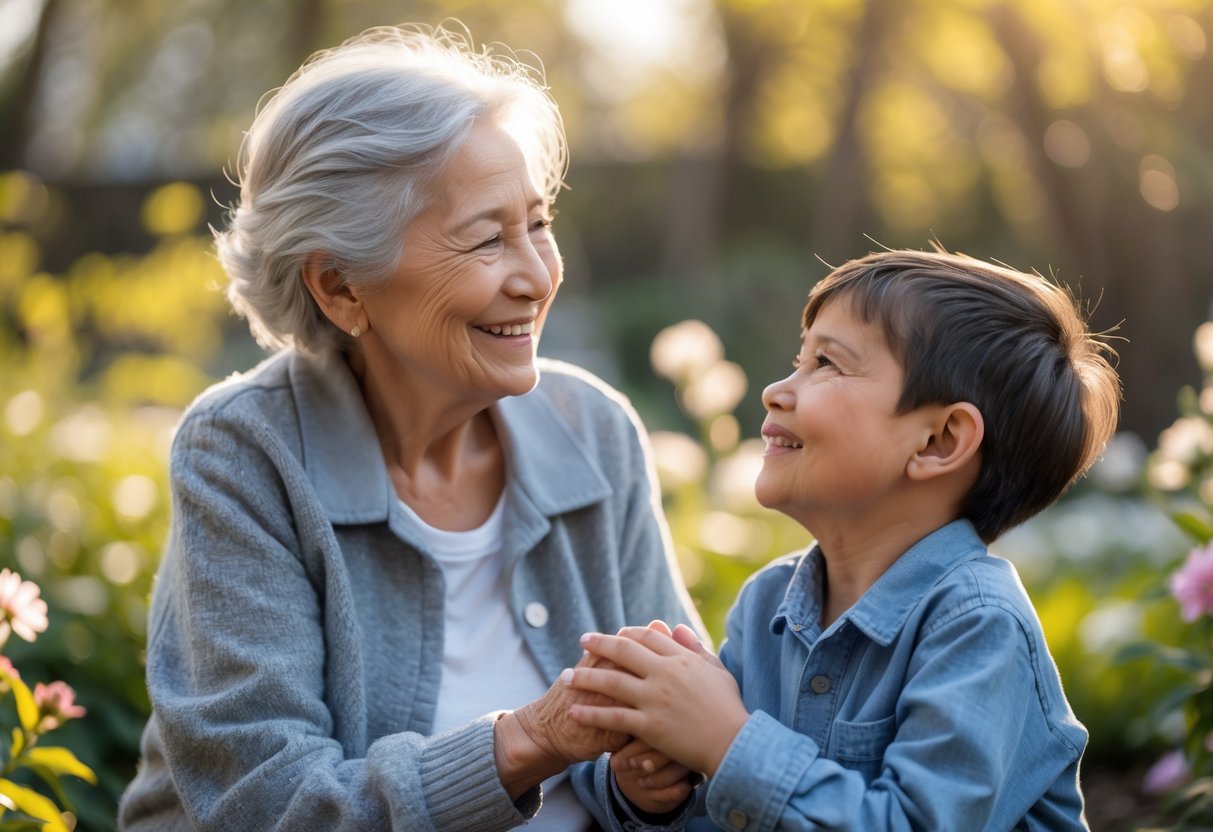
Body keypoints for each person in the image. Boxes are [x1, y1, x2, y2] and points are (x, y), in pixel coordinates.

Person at [117, 22, 704, 832]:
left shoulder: (592, 429)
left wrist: (650, 782)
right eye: (485, 240)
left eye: (537, 223)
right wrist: (530, 739)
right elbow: (266, 801)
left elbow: (676, 739)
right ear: (339, 286)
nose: (536, 277)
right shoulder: (246, 452)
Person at [564, 248, 1121, 830]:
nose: (777, 390)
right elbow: (731, 808)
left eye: (826, 363)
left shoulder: (978, 626)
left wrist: (727, 741)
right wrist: (657, 786)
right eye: (797, 360)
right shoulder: (768, 605)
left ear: (939, 441)